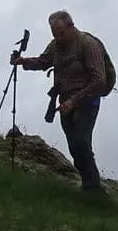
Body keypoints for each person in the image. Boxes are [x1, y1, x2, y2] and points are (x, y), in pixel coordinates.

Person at [10, 10, 110, 193]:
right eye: (54, 33)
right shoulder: (55, 45)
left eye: (61, 33)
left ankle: (93, 189)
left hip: (87, 101)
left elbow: (99, 81)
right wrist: (23, 61)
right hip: (64, 102)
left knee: (81, 142)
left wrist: (74, 101)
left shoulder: (88, 44)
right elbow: (43, 62)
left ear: (71, 25)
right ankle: (90, 185)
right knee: (74, 146)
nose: (58, 37)